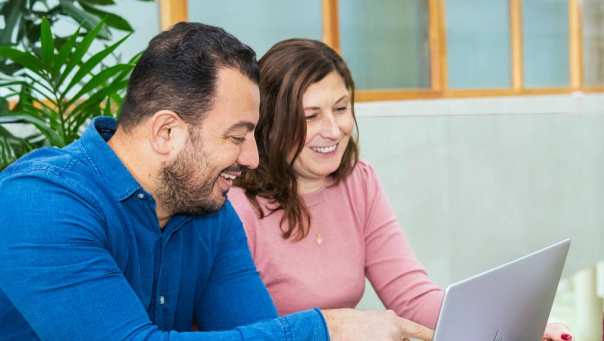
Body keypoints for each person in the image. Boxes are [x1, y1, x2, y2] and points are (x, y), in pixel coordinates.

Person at [0, 23, 433, 340]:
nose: (253, 158)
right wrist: (330, 329)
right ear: (167, 132)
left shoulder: (210, 211)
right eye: (237, 136)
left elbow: (255, 331)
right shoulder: (39, 205)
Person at [229, 38, 574, 341]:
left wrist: (515, 324)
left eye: (340, 108)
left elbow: (411, 296)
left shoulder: (358, 182)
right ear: (271, 123)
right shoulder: (238, 206)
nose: (334, 130)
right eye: (311, 116)